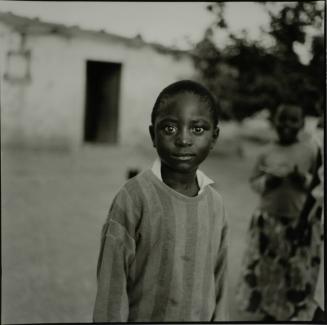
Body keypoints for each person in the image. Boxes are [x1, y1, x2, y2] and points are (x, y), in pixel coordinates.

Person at [93, 80, 229, 322]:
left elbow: (219, 279)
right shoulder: (133, 198)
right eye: (169, 129)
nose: (183, 140)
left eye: (197, 129)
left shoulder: (215, 204)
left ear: (214, 136)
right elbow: (110, 286)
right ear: (152, 135)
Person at [235, 103, 322, 321]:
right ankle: (269, 309)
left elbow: (318, 183)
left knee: (294, 269)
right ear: (274, 121)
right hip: (269, 221)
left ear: (302, 124)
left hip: (297, 222)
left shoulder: (310, 151)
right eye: (282, 119)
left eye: (293, 120)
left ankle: (292, 311)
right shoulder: (265, 151)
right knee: (268, 268)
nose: (287, 125)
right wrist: (268, 181)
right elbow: (254, 181)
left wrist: (303, 180)